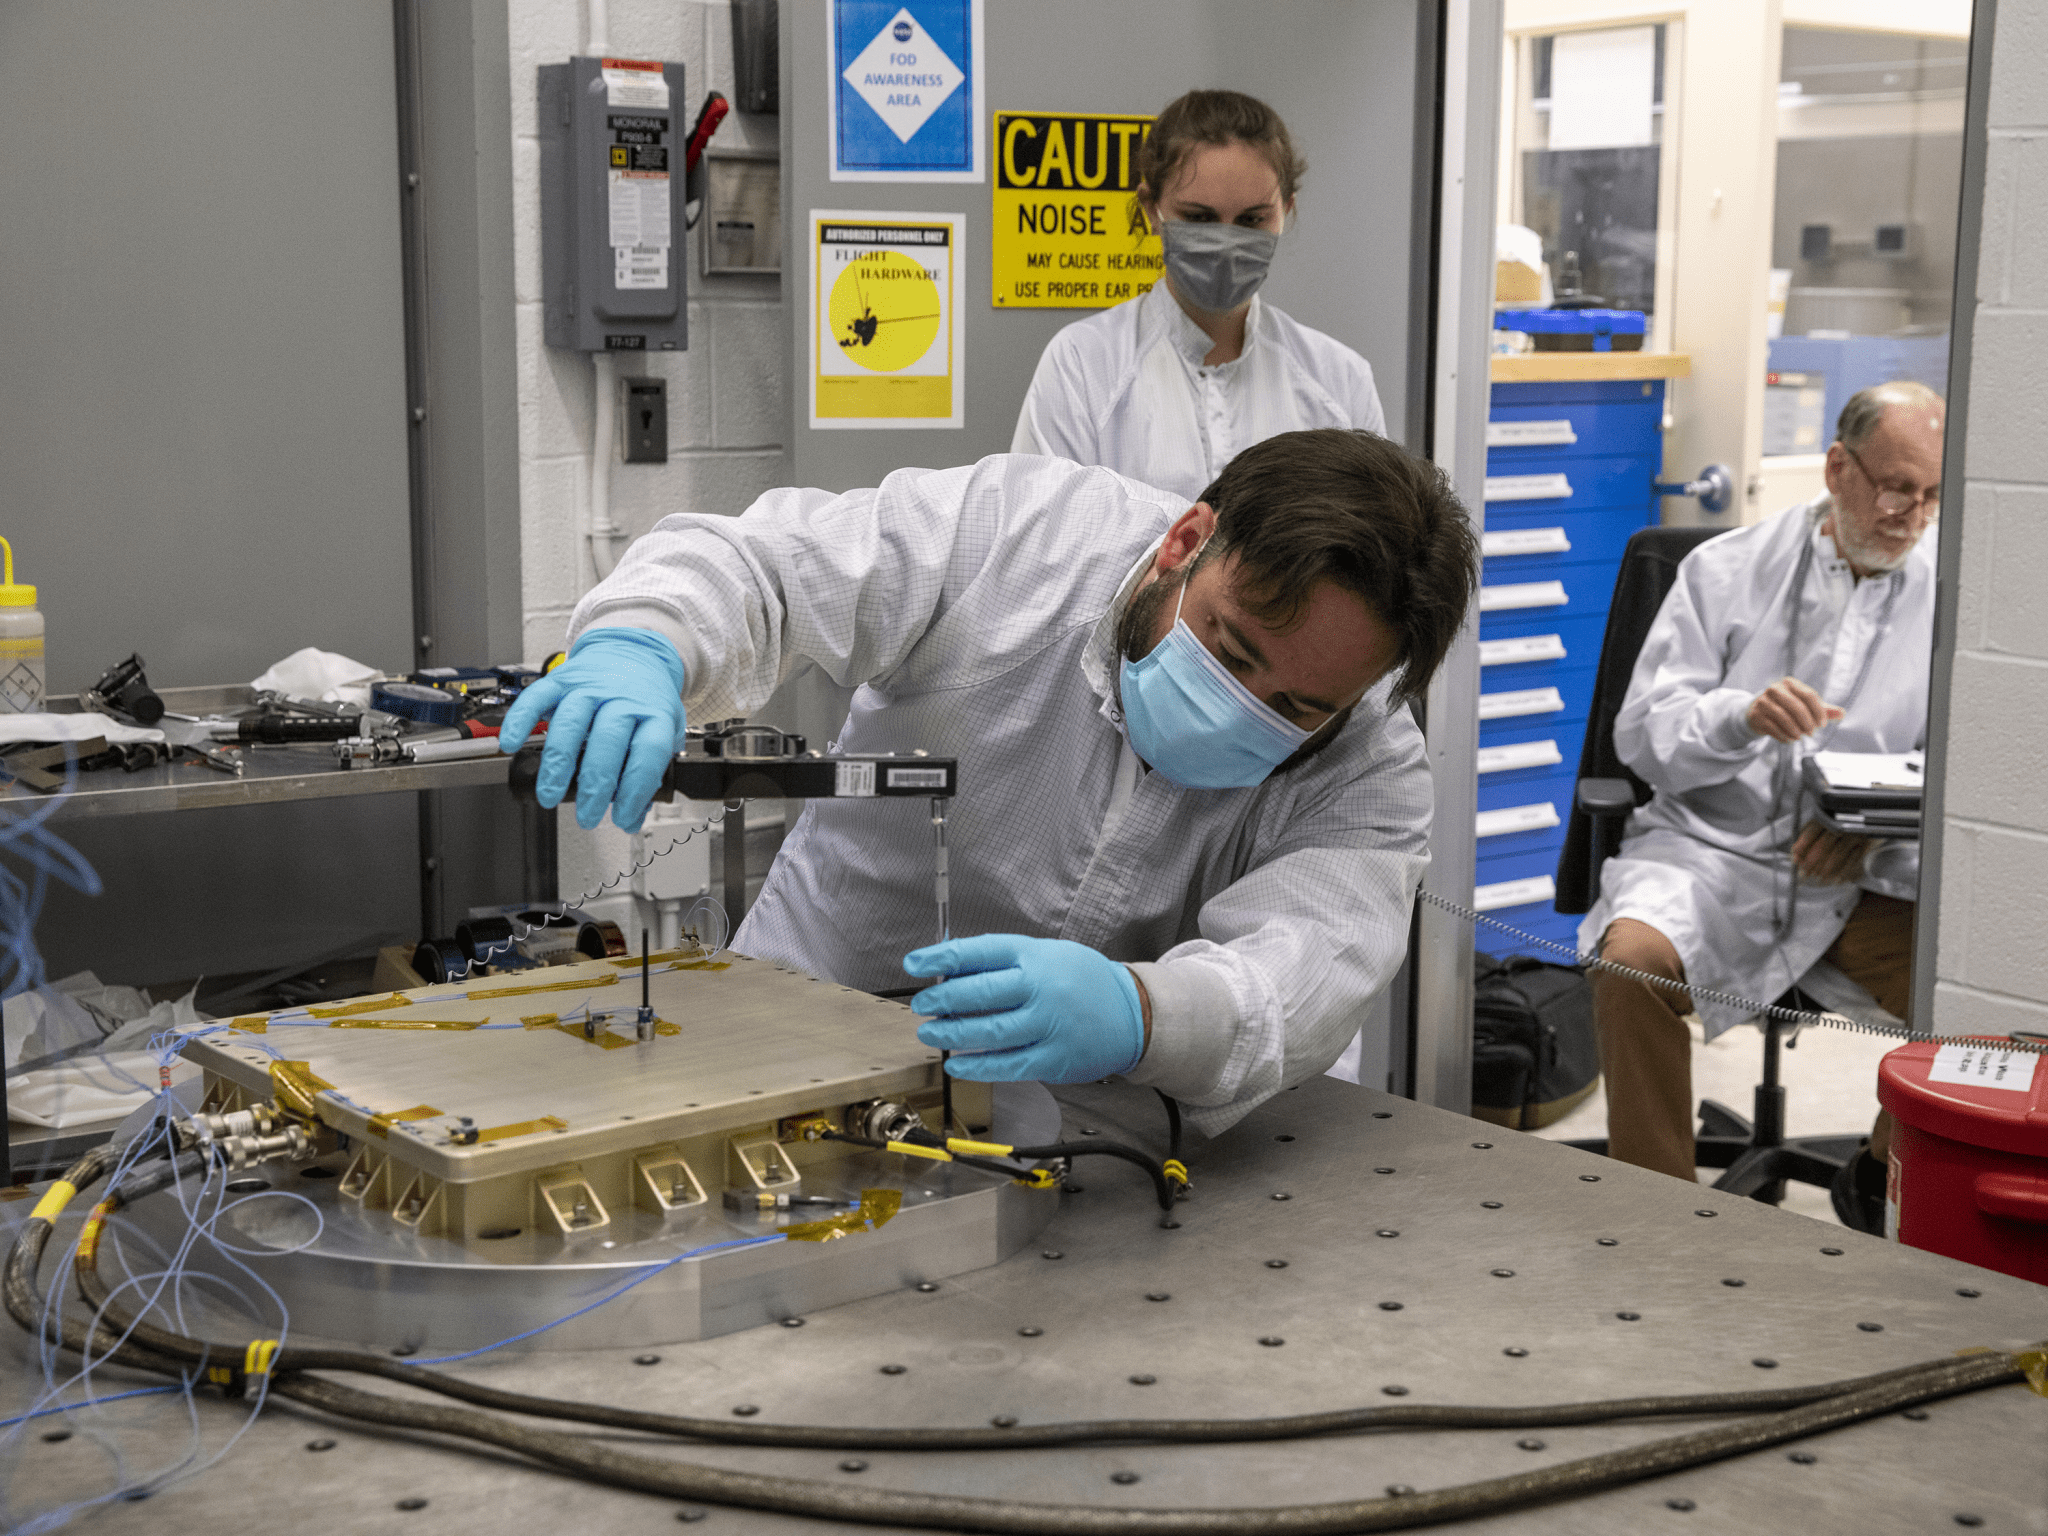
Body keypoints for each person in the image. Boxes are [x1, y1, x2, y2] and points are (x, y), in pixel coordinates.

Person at [501, 431, 1477, 1135]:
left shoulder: (1367, 772)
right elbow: (770, 568)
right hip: (797, 1033)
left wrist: (1137, 1014)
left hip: (1103, 1130)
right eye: (1227, 647)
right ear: (1185, 543)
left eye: (1295, 706)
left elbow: (1290, 986)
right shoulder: (1023, 537)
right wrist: (645, 641)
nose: (1240, 704)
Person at [1579, 382, 1943, 1200]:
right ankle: (1657, 1211)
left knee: (1983, 989)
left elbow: (1966, 770)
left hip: (1863, 876)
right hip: (1715, 854)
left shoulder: (1948, 594)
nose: (1910, 516)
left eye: (1929, 496)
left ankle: (1879, 1170)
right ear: (1837, 468)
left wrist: (1877, 830)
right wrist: (1737, 718)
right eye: (1893, 487)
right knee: (1632, 967)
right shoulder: (1727, 570)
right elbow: (1644, 734)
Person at [1009, 90, 1386, 501]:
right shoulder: (1082, 366)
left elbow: (1376, 550)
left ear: (1287, 210)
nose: (1225, 241)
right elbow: (1041, 542)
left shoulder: (1340, 381)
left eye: (1252, 220)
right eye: (1198, 217)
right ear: (1151, 208)